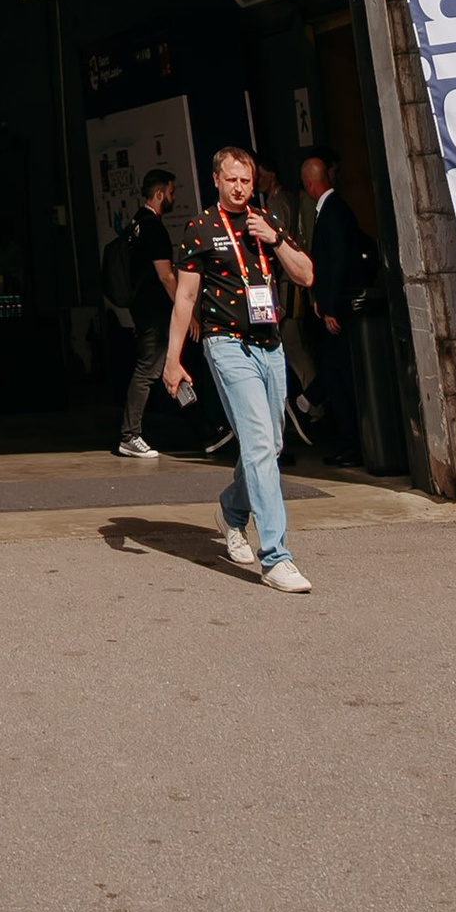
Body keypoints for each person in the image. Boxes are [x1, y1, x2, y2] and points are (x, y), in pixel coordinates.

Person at [164, 142, 315, 594]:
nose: (239, 187)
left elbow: (306, 274)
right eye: (231, 179)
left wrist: (275, 239)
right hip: (226, 345)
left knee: (269, 444)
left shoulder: (268, 221)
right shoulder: (200, 228)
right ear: (216, 180)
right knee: (258, 446)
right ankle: (277, 557)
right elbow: (186, 298)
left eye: (246, 180)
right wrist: (172, 359)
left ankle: (231, 510)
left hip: (270, 346)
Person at [294, 148, 369, 469]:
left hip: (337, 311)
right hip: (333, 306)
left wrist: (329, 307)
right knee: (336, 371)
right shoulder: (334, 210)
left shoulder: (332, 212)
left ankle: (350, 440)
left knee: (340, 375)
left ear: (310, 186)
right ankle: (316, 406)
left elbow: (335, 263)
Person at [113, 170, 183, 462]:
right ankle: (130, 435)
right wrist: (184, 308)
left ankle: (204, 427)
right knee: (148, 369)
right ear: (159, 194)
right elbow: (166, 275)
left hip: (143, 308)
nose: (173, 197)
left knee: (172, 362)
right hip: (155, 311)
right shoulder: (153, 228)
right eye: (171, 191)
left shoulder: (134, 225)